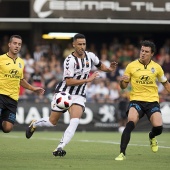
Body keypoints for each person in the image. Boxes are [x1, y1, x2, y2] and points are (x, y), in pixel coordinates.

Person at [25, 33, 117, 157]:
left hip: (79, 95)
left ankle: (59, 147)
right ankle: (35, 123)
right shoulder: (69, 60)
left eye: (84, 44)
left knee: (75, 121)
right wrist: (88, 80)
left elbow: (101, 66)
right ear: (73, 45)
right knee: (52, 122)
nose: (82, 47)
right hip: (64, 92)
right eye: (79, 44)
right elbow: (69, 81)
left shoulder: (90, 56)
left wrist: (110, 69)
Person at [115, 40, 170, 161]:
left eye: (146, 52)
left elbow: (165, 83)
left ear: (152, 54)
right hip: (136, 100)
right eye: (142, 50)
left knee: (158, 127)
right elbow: (123, 86)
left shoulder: (157, 67)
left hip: (152, 101)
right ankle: (122, 153)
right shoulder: (131, 66)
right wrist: (122, 81)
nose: (143, 53)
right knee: (130, 123)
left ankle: (152, 136)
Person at [0, 35, 45, 133]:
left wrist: (33, 88)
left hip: (12, 99)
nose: (17, 46)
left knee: (7, 128)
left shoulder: (21, 62)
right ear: (9, 44)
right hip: (1, 95)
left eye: (19, 44)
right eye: (15, 43)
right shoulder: (1, 59)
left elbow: (21, 80)